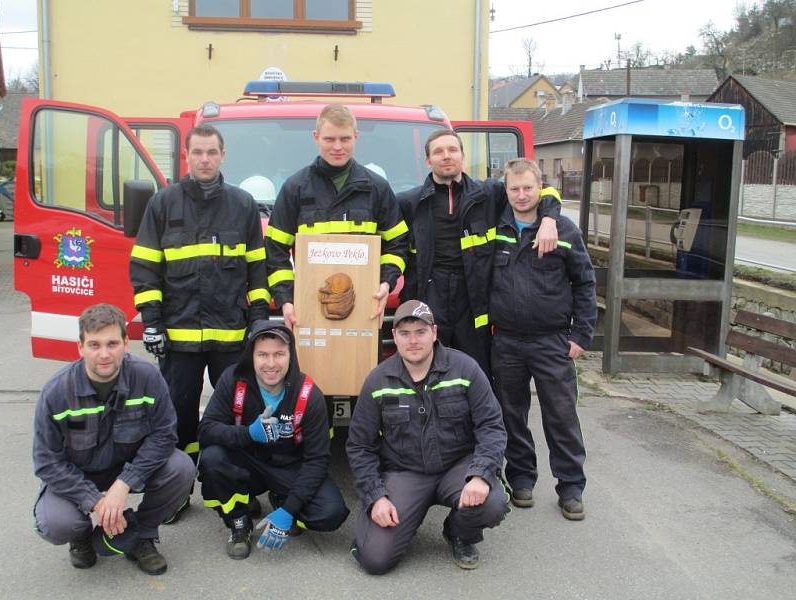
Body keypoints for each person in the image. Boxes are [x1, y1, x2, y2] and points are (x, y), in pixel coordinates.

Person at [129, 124, 270, 519]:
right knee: (176, 419)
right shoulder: (163, 203)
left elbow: (257, 271)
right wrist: (151, 322)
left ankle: (236, 487)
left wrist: (259, 323)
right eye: (198, 153)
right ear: (187, 157)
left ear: (223, 155)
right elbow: (144, 268)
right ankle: (175, 493)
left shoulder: (243, 204)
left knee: (238, 416)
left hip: (231, 337)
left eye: (212, 152)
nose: (205, 159)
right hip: (179, 339)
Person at [347, 300, 508, 573]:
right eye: (405, 333)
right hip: (405, 472)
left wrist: (481, 474)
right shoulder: (378, 381)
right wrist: (376, 497)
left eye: (420, 332)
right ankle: (384, 527)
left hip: (458, 467)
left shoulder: (465, 369)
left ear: (434, 333)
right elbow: (360, 446)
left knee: (492, 502)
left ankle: (459, 532)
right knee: (374, 560)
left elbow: (491, 426)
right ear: (394, 337)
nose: (413, 341)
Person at [32, 303, 195, 575]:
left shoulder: (147, 377)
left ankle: (140, 535)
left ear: (126, 343)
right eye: (94, 345)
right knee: (55, 523)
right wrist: (95, 501)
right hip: (79, 474)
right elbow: (47, 462)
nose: (104, 354)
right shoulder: (56, 392)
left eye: (112, 343)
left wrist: (124, 485)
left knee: (181, 469)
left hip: (128, 468)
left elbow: (164, 435)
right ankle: (81, 535)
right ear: (80, 347)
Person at [397, 129, 563, 375]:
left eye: (452, 150)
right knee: (427, 372)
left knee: (475, 372)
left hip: (473, 299)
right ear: (428, 161)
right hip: (429, 297)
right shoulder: (409, 203)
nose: (446, 156)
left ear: (462, 156)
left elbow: (541, 189)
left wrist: (549, 219)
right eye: (438, 152)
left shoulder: (488, 195)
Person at [489, 158, 597, 520]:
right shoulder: (495, 227)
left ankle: (570, 487)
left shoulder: (563, 230)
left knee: (561, 415)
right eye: (514, 189)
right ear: (506, 190)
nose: (521, 195)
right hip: (506, 341)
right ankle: (521, 479)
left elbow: (585, 283)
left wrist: (581, 334)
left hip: (552, 341)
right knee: (511, 415)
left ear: (541, 189)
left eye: (528, 188)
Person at [198, 320, 349, 559]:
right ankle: (239, 522)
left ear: (291, 355)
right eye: (262, 355)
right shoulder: (232, 380)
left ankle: (282, 501)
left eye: (279, 354)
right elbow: (206, 431)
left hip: (290, 467)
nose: (270, 364)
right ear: (251, 356)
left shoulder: (310, 395)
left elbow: (317, 459)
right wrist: (247, 433)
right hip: (248, 463)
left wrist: (289, 510)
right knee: (212, 457)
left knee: (331, 512)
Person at [265, 103, 408, 330]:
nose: (338, 147)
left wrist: (386, 282)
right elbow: (274, 252)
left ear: (356, 137)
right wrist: (286, 299)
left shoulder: (376, 188)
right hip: (309, 308)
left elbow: (398, 243)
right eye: (329, 139)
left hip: (366, 306)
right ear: (316, 137)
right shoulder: (296, 188)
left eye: (345, 139)